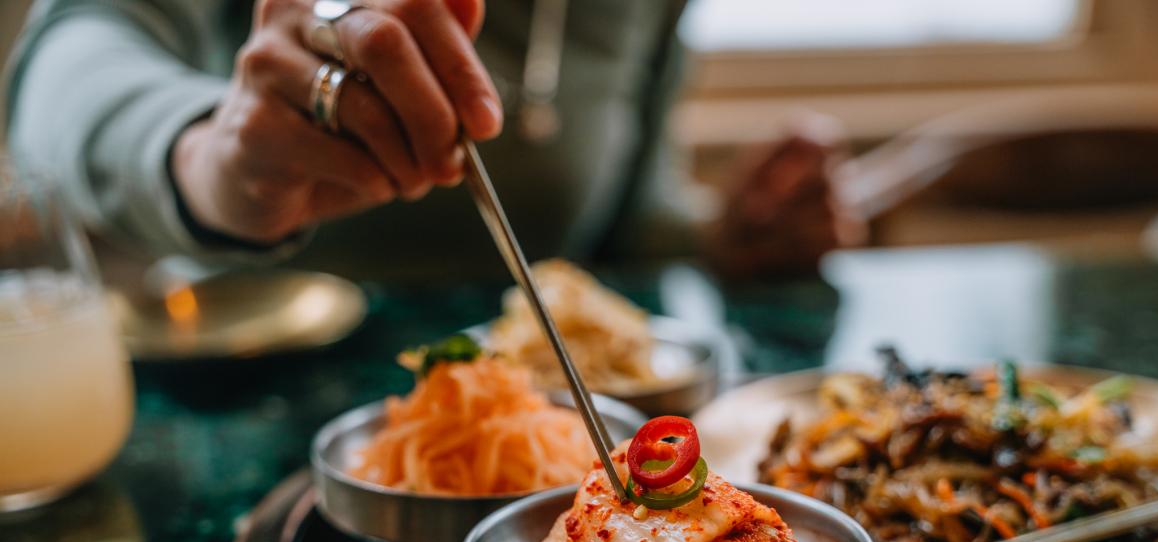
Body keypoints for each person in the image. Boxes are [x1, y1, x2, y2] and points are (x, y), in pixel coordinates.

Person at [2, 0, 862, 282]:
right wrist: (208, 153)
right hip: (233, 403)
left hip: (529, 455)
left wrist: (720, 236)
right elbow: (66, 59)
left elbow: (620, 208)